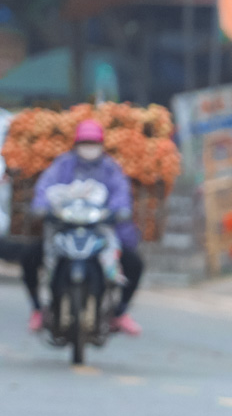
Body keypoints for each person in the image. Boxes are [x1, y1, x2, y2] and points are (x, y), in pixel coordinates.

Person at [23, 119, 143, 335]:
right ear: (76, 144)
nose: (89, 148)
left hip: (98, 231)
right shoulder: (63, 165)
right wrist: (41, 207)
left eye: (93, 143)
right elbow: (44, 188)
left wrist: (118, 211)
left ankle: (119, 313)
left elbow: (121, 194)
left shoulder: (110, 168)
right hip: (64, 229)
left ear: (101, 144)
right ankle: (38, 310)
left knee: (134, 263)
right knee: (29, 257)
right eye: (85, 143)